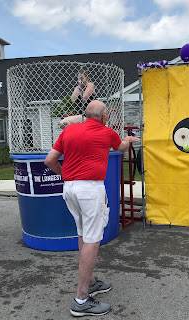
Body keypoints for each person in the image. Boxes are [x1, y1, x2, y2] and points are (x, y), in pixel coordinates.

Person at [44, 100, 139, 317]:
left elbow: (49, 160)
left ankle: (92, 281)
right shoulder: (106, 132)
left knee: (83, 233)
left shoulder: (69, 131)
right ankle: (81, 298)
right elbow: (121, 147)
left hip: (70, 189)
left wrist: (65, 175)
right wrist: (127, 140)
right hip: (90, 190)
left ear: (86, 115)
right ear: (104, 116)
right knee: (92, 240)